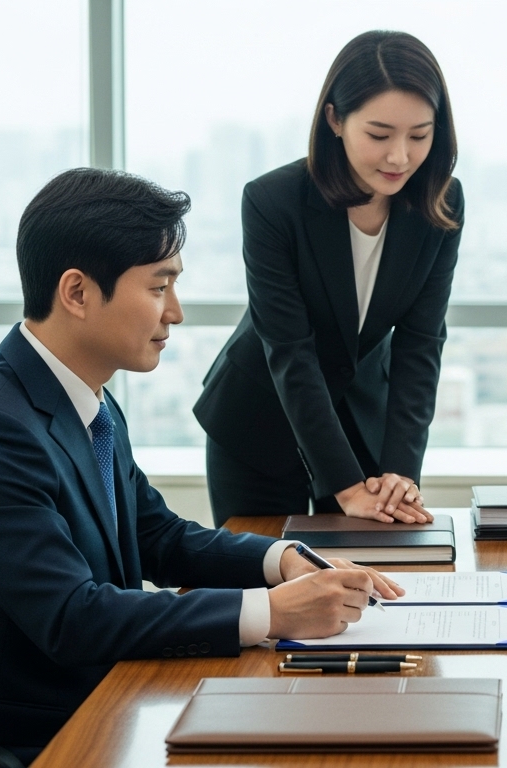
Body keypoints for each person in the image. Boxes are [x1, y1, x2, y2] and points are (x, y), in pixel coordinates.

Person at [0, 168, 401, 763]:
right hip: (12, 744)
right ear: (77, 293)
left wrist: (282, 562)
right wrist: (271, 612)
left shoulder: (87, 402)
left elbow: (155, 535)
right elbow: (73, 616)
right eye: (159, 288)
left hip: (101, 709)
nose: (176, 313)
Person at [194, 30, 461, 528]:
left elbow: (421, 344)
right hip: (260, 419)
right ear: (335, 119)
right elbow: (289, 350)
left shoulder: (440, 204)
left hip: (364, 424)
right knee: (268, 582)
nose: (400, 157)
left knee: (372, 590)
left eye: (419, 135)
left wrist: (400, 473)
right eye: (379, 135)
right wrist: (344, 486)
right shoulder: (274, 202)